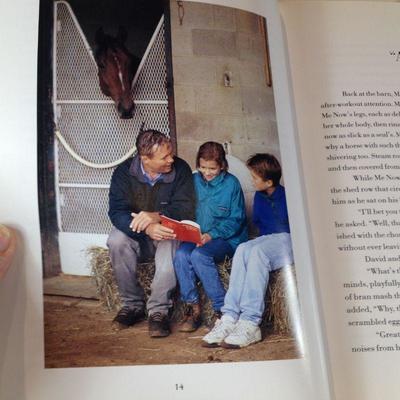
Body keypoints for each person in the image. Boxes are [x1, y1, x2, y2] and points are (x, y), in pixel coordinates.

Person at [107, 129, 195, 338]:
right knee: (116, 241)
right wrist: (146, 227)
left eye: (170, 153)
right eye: (164, 157)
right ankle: (133, 306)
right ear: (145, 159)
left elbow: (186, 207)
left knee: (169, 241)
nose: (171, 159)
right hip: (137, 233)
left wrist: (157, 216)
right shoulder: (123, 172)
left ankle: (158, 312)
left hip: (165, 229)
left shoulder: (180, 169)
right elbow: (116, 211)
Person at [202, 153, 293, 349]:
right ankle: (230, 317)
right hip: (267, 238)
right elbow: (261, 225)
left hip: (288, 239)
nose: (251, 181)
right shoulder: (260, 197)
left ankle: (251, 322)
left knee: (258, 254)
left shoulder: (288, 196)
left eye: (254, 178)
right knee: (243, 248)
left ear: (269, 182)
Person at [173, 142, 247, 332]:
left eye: (212, 168)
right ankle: (193, 307)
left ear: (222, 165)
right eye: (202, 167)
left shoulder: (232, 184)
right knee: (181, 254)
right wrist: (183, 226)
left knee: (199, 256)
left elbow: (236, 220)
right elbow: (184, 207)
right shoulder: (193, 180)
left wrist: (211, 235)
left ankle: (222, 310)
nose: (206, 172)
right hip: (198, 236)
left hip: (226, 239)